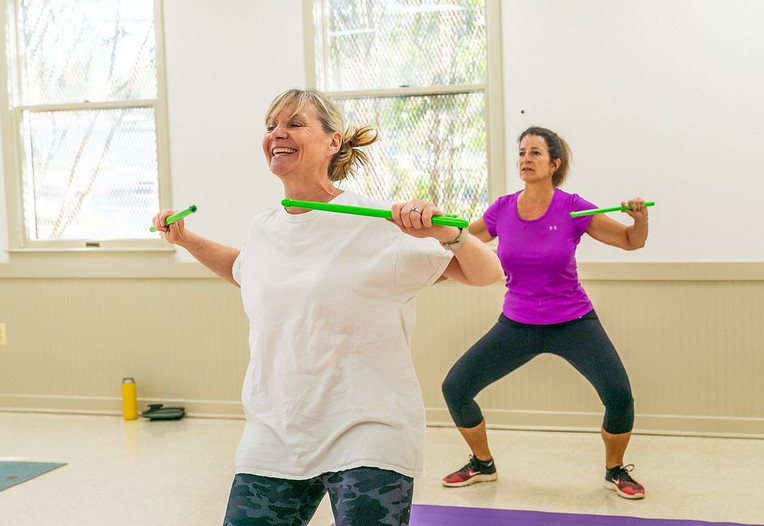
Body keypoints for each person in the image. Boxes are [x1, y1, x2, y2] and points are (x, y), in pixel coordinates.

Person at [152, 88, 503, 526]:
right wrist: (185, 239)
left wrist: (446, 233)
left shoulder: (375, 220)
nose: (277, 133)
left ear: (333, 141)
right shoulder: (265, 228)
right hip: (276, 427)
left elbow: (487, 273)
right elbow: (243, 268)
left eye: (294, 124)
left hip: (369, 429)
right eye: (271, 126)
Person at [440, 126, 649, 500]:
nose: (525, 159)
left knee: (619, 395)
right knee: (455, 387)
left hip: (573, 322)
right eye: (521, 153)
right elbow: (461, 241)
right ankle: (483, 462)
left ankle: (615, 470)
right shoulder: (502, 209)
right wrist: (432, 232)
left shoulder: (574, 206)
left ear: (554, 163)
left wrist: (640, 219)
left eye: (535, 153)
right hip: (517, 324)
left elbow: (631, 241)